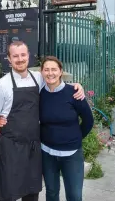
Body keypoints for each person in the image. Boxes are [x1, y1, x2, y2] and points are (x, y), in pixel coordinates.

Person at [0, 41, 85, 201]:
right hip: (11, 147)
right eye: (15, 56)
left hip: (33, 146)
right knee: (7, 192)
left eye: (23, 55)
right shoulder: (1, 85)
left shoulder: (38, 78)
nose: (20, 59)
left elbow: (56, 82)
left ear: (28, 56)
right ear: (9, 59)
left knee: (32, 191)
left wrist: (76, 86)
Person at [40, 56, 94, 201]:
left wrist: (75, 138)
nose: (50, 73)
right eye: (46, 70)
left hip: (72, 154)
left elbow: (88, 120)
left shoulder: (74, 93)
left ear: (61, 72)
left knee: (74, 196)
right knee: (51, 193)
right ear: (42, 72)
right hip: (47, 153)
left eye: (54, 69)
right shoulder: (39, 94)